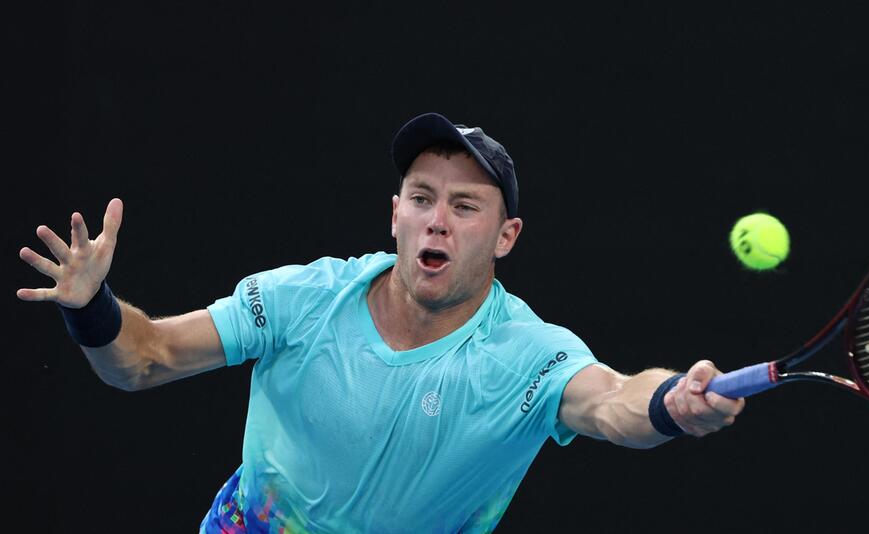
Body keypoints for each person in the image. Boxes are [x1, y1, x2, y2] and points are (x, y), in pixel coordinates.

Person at [18, 112, 745, 533]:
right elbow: (143, 359)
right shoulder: (305, 299)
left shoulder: (526, 356)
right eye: (422, 197)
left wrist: (671, 401)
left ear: (505, 237)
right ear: (395, 212)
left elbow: (613, 401)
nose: (438, 219)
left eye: (465, 207)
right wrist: (92, 307)